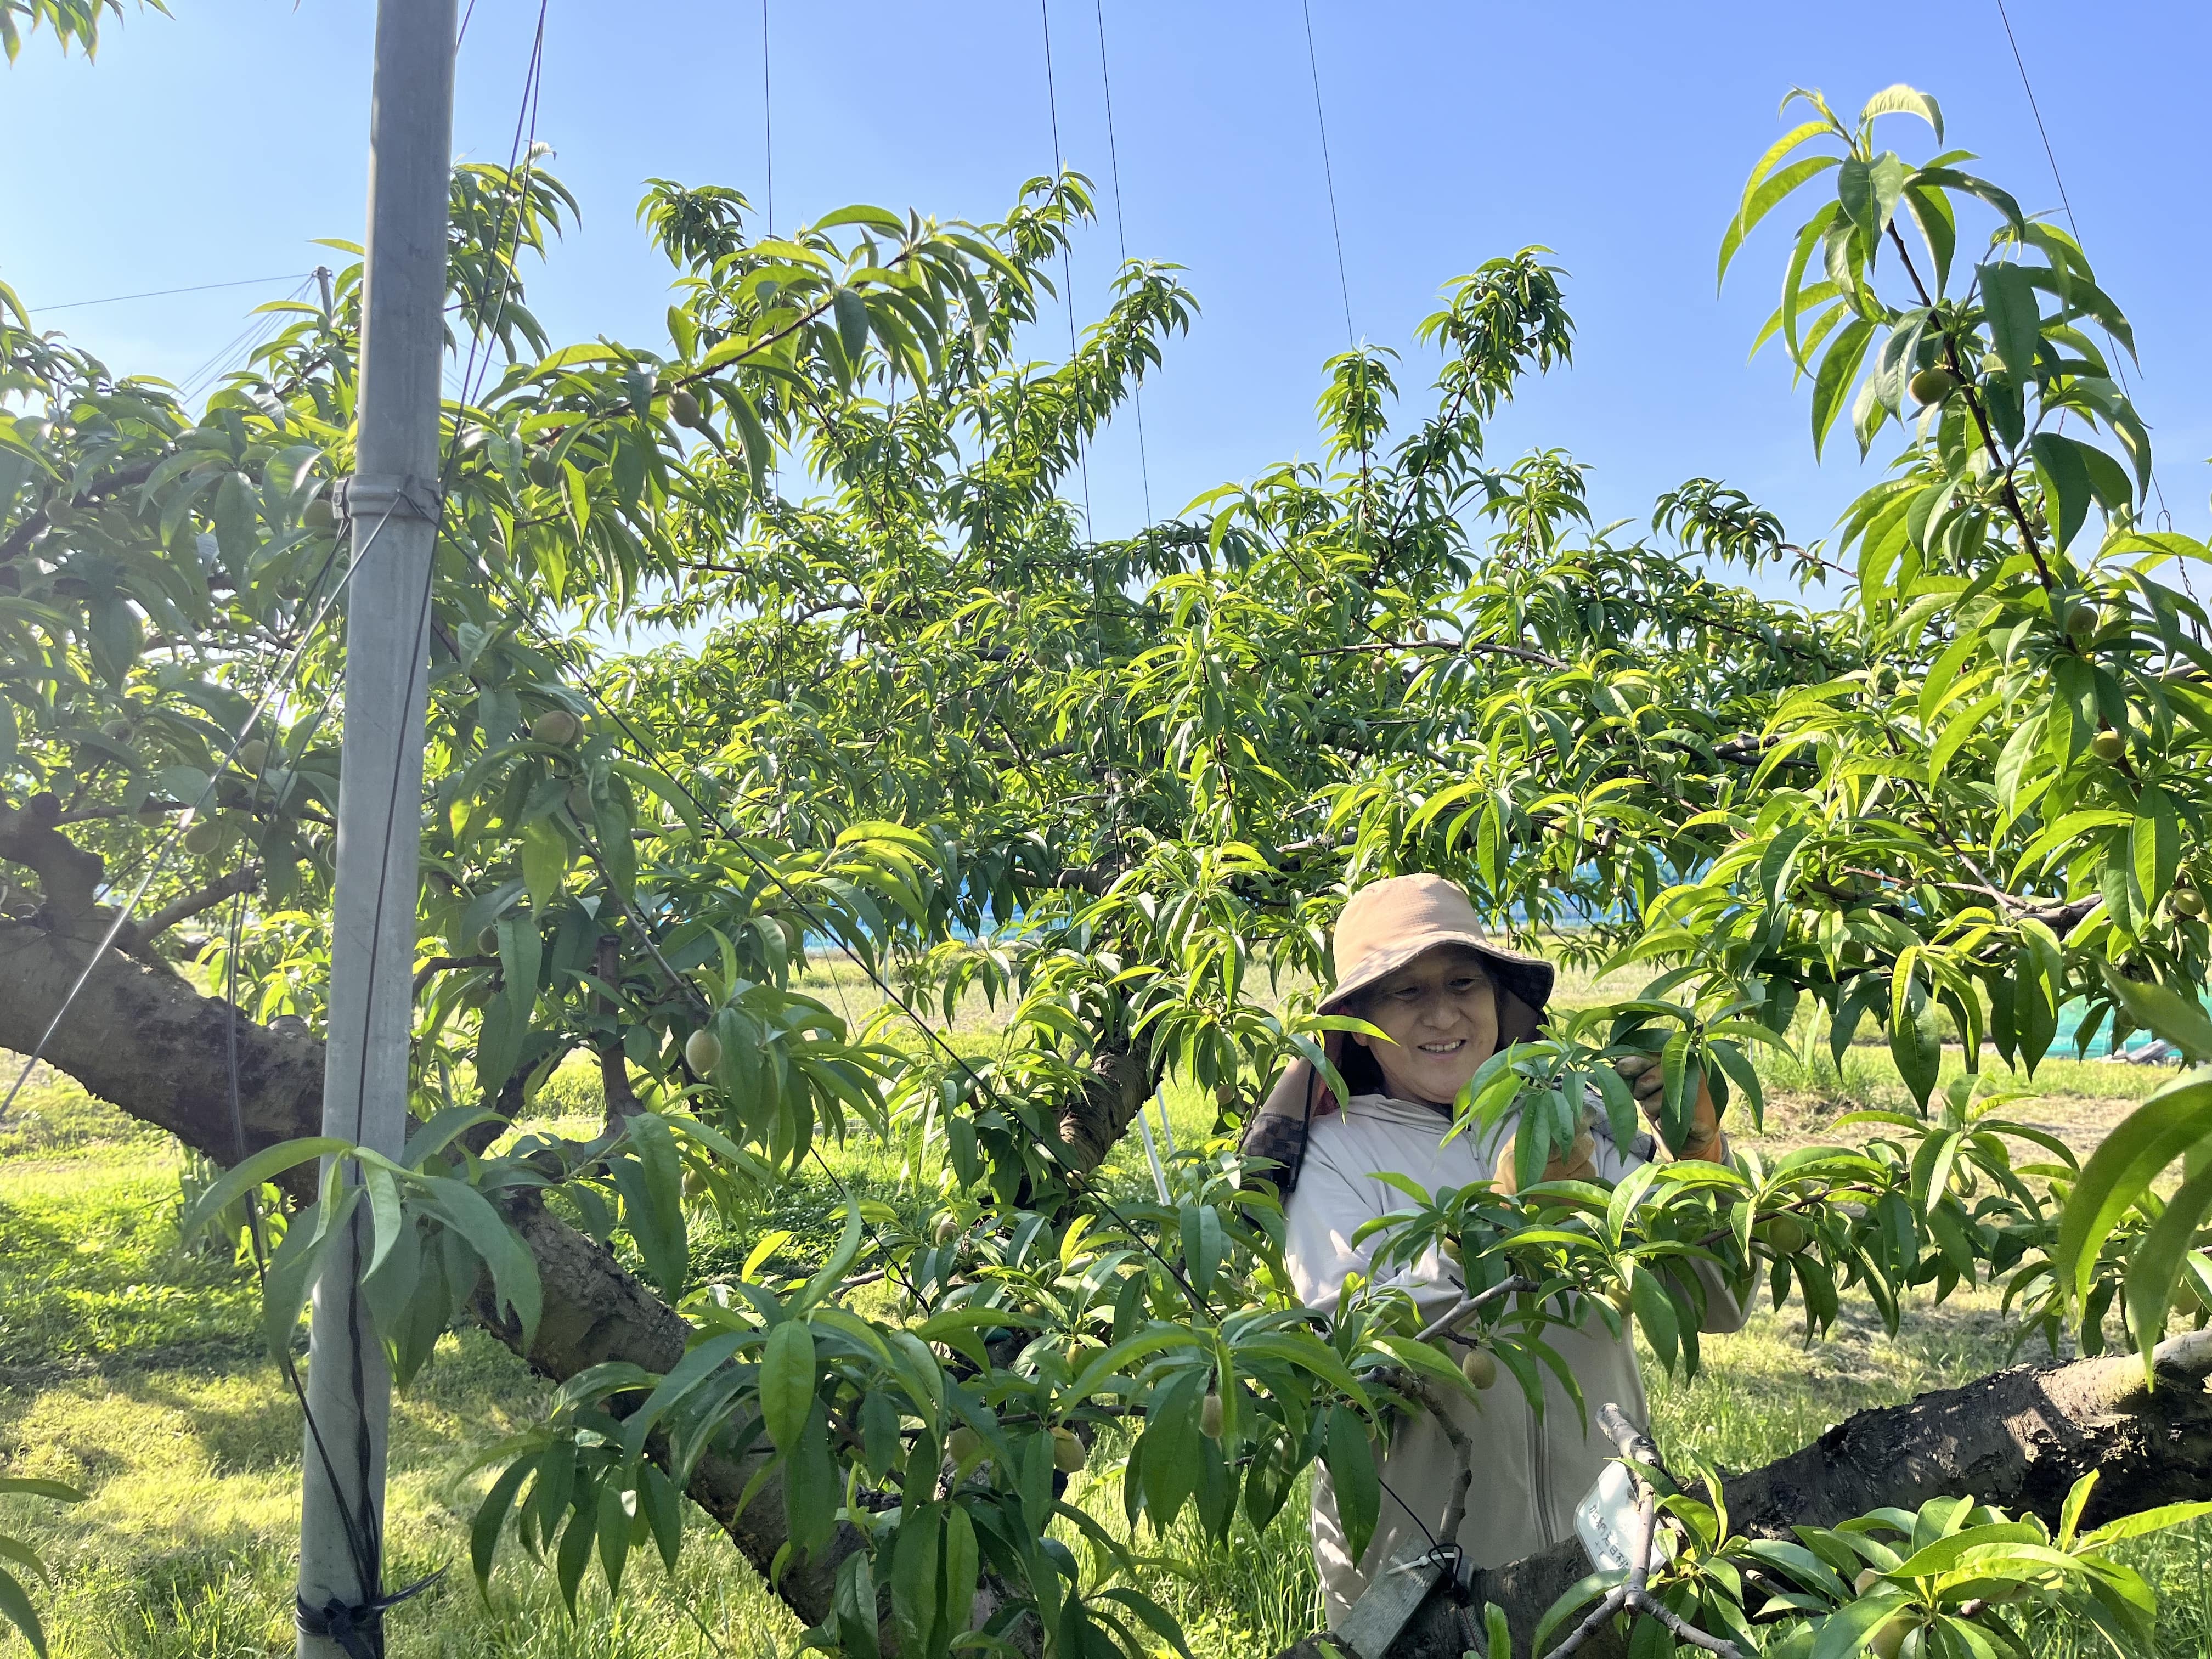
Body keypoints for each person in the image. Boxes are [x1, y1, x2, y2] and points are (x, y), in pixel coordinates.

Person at [1243, 873, 1743, 1627]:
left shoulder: (1570, 1118)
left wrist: (1699, 1149)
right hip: (1422, 1588)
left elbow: (1715, 1302)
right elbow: (1352, 1341)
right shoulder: (1336, 1154)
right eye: (1403, 993)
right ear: (1360, 1022)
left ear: (1499, 1001)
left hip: (1604, 1558)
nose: (1441, 1012)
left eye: (1462, 982)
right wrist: (1508, 1228)